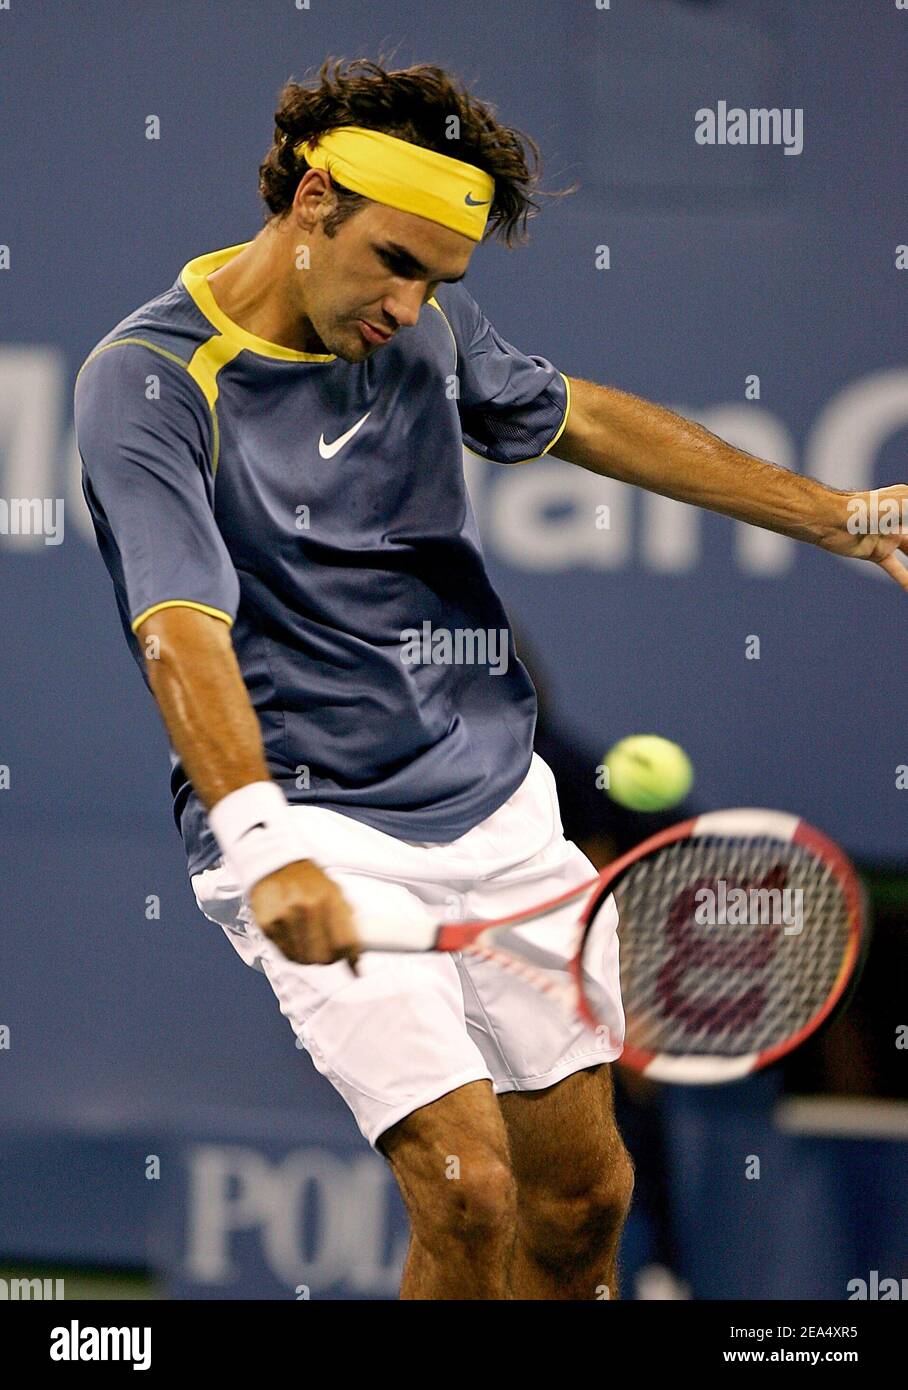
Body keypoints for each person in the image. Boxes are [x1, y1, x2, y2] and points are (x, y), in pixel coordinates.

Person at [74, 57, 908, 1300]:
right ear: (312, 203)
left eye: (437, 281)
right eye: (394, 263)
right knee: (467, 1191)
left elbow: (589, 422)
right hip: (307, 821)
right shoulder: (146, 381)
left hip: (497, 812)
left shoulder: (427, 330)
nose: (410, 308)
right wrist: (260, 839)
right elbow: (180, 626)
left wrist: (838, 512)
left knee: (583, 1204)